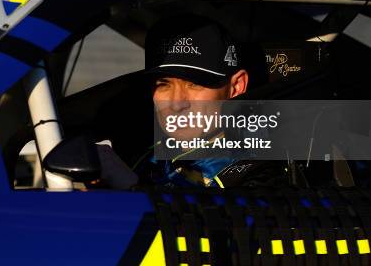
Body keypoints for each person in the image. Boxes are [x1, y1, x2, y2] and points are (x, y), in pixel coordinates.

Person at [97, 15, 289, 188]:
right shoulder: (142, 154)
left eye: (194, 84)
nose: (176, 104)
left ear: (236, 87)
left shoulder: (262, 174)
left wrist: (132, 188)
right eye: (164, 84)